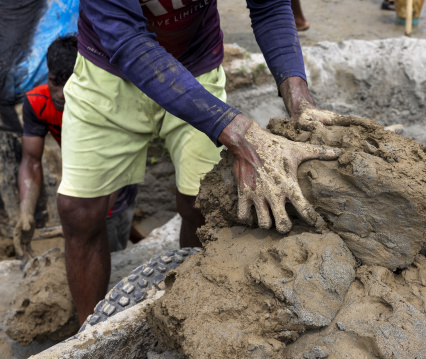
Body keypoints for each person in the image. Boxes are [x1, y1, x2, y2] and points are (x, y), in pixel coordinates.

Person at [58, 0, 341, 325]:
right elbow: (128, 41)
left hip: (196, 68)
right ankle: (88, 336)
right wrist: (232, 127)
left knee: (202, 202)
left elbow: (269, 6)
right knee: (79, 211)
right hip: (107, 71)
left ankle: (190, 311)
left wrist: (298, 95)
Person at [14, 35, 139, 260]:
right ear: (47, 76)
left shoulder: (106, 104)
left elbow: (119, 164)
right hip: (83, 171)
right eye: (55, 82)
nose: (61, 93)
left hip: (117, 175)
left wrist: (94, 218)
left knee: (108, 248)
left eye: (69, 83)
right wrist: (26, 211)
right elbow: (31, 160)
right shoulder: (37, 103)